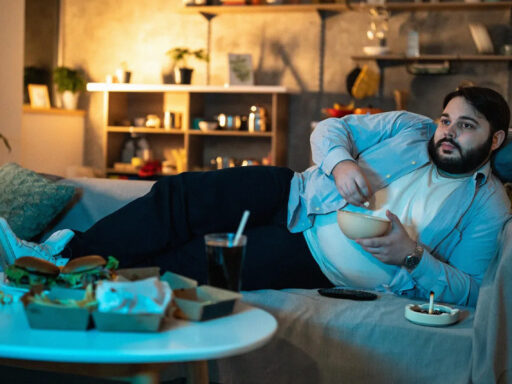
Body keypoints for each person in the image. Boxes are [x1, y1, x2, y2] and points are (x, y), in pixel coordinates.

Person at [0, 86, 510, 307]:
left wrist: (412, 256)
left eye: (465, 127)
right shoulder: (407, 128)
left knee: (191, 263)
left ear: (495, 140)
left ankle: (70, 284)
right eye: (447, 120)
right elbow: (329, 132)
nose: (446, 132)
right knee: (179, 197)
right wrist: (342, 163)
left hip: (314, 262)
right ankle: (55, 258)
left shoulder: (488, 206)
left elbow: (472, 291)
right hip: (292, 193)